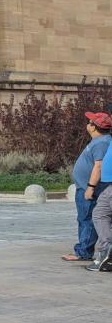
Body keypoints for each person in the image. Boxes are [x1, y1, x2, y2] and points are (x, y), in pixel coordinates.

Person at [66, 112, 110, 262]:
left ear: (94, 127)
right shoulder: (99, 141)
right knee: (85, 218)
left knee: (87, 219)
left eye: (89, 121)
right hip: (85, 187)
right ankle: (84, 249)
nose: (87, 124)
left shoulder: (102, 143)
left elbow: (98, 166)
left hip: (90, 189)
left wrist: (90, 187)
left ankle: (84, 252)